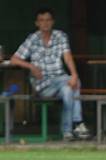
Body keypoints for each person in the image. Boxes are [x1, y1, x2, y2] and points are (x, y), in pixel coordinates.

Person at [10, 7, 90, 141]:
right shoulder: (32, 39)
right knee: (71, 83)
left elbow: (67, 57)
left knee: (68, 89)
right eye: (41, 20)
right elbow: (14, 59)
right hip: (42, 84)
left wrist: (74, 74)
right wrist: (31, 66)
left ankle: (67, 132)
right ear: (37, 23)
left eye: (48, 20)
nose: (45, 23)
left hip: (60, 80)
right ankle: (78, 123)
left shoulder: (60, 36)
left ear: (53, 22)